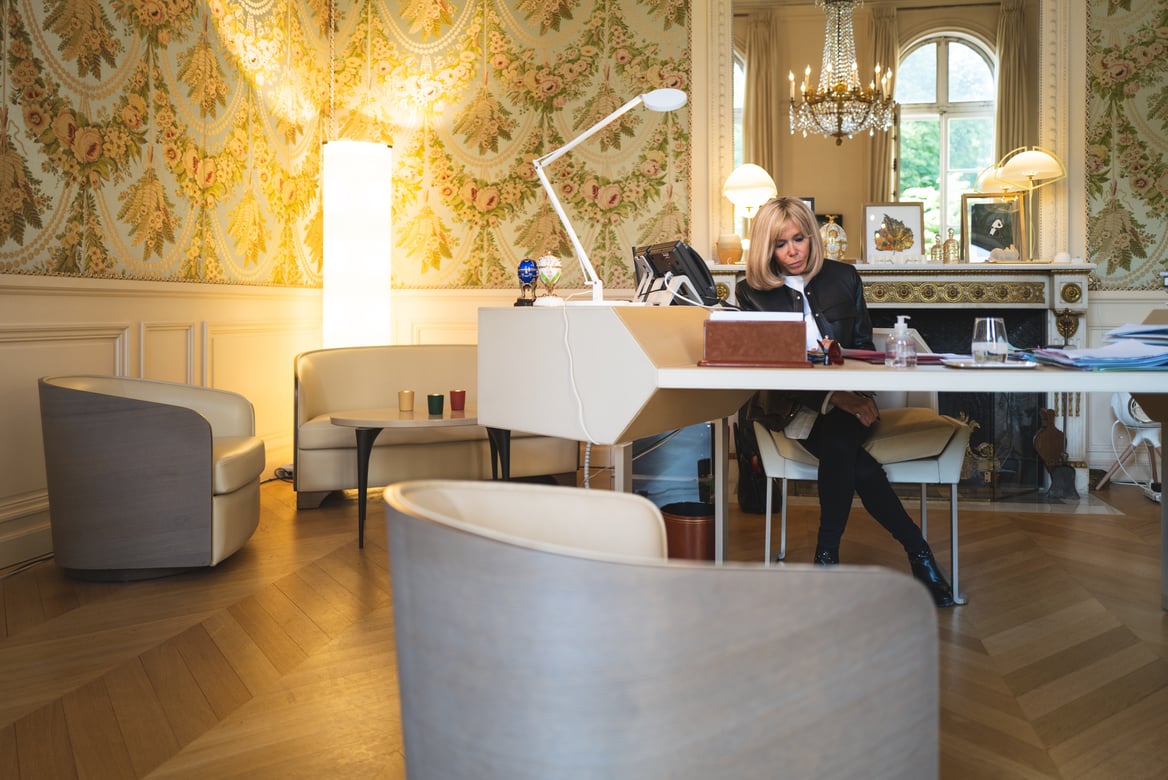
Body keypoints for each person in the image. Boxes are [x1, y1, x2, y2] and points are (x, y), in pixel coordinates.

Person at [736, 196, 955, 608]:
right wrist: (833, 395)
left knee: (840, 443)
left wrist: (848, 388)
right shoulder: (750, 293)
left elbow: (862, 348)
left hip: (852, 402)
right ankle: (919, 554)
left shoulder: (844, 277)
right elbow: (766, 370)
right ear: (766, 248)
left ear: (812, 236)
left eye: (799, 238)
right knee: (857, 465)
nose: (793, 251)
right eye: (781, 244)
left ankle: (826, 560)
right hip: (793, 408)